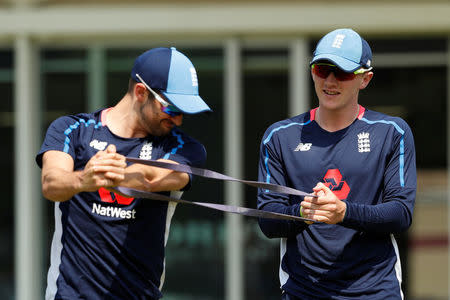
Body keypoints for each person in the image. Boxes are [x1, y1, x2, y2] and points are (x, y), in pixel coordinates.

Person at [36, 47, 212, 300]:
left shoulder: (185, 148)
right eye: (172, 110)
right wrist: (83, 179)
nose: (179, 120)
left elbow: (152, 177)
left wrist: (116, 176)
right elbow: (52, 183)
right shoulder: (72, 129)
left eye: (184, 112)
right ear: (141, 92)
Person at [257, 28, 416, 299]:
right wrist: (305, 213)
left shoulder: (392, 131)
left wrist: (344, 212)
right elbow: (268, 219)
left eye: (341, 73)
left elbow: (401, 213)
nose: (330, 81)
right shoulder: (279, 136)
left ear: (365, 79)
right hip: (303, 290)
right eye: (322, 69)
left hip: (375, 290)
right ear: (312, 72)